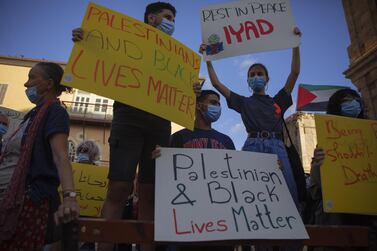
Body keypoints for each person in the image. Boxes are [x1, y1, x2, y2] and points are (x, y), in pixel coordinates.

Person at [72, 2, 201, 251]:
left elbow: (182, 88)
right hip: (128, 118)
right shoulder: (127, 40)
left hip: (160, 124)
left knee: (150, 190)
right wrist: (84, 39)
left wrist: (192, 89)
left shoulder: (176, 57)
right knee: (119, 187)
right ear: (151, 18)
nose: (171, 22)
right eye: (167, 16)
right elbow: (102, 51)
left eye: (173, 18)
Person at [200, 27, 302, 208]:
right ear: (247, 81)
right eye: (252, 75)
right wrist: (207, 59)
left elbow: (294, 73)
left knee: (287, 197)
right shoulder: (243, 102)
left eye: (259, 74)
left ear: (267, 79)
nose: (256, 77)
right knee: (250, 195)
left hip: (277, 146)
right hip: (252, 145)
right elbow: (216, 84)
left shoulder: (278, 100)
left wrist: (295, 44)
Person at [0, 62, 79, 250]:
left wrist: (69, 197)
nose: (26, 84)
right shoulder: (30, 116)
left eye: (32, 77)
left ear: (49, 84)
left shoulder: (55, 112)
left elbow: (60, 156)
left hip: (26, 200)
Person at [153, 89, 235, 251]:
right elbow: (167, 176)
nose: (217, 107)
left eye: (219, 104)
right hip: (186, 217)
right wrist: (158, 158)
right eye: (213, 103)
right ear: (199, 105)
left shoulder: (227, 141)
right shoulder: (179, 137)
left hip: (220, 220)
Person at [309, 88, 375, 251]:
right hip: (337, 219)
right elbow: (316, 187)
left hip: (370, 218)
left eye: (356, 101)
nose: (353, 104)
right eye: (346, 101)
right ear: (336, 107)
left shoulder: (371, 136)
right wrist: (318, 163)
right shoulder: (326, 142)